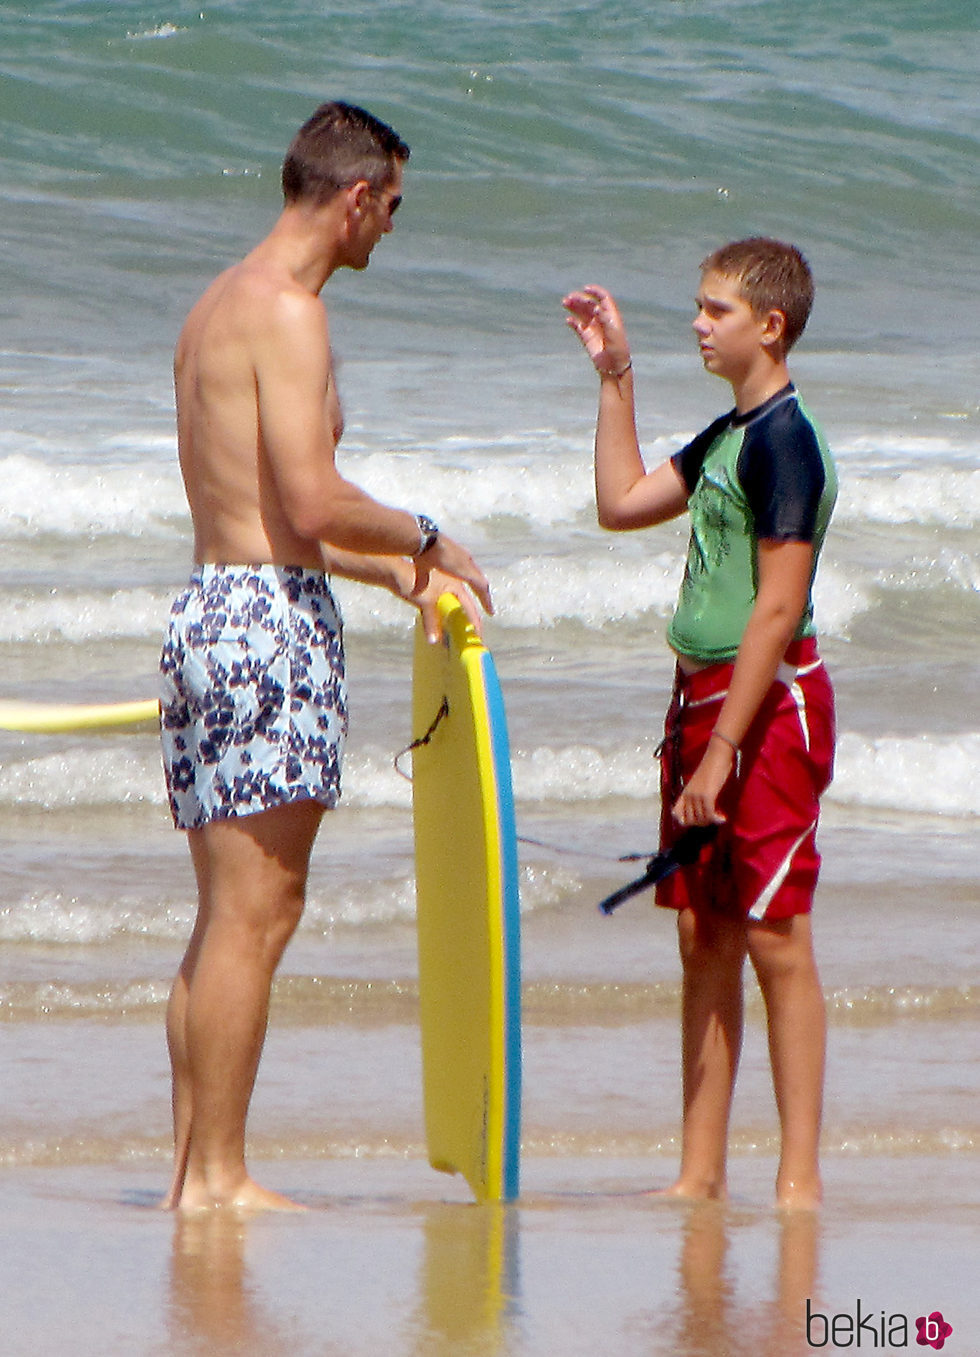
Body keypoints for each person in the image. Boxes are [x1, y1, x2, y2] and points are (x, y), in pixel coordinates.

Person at [158, 101, 493, 1213]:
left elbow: (267, 521)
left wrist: (391, 577)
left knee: (222, 916)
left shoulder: (212, 308)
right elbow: (312, 499)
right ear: (355, 197)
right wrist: (427, 534)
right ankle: (220, 1178)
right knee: (261, 913)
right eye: (391, 206)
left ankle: (189, 1175)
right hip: (267, 633)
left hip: (210, 607)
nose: (390, 228)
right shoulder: (291, 314)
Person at [563, 238, 837, 1210]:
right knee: (703, 936)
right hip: (696, 704)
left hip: (762, 711)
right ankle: (697, 1173)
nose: (695, 322)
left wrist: (722, 750)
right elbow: (620, 502)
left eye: (713, 309)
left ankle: (797, 1179)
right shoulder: (728, 436)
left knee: (773, 935)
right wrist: (613, 377)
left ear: (768, 324)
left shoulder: (786, 443)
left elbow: (776, 606)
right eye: (694, 306)